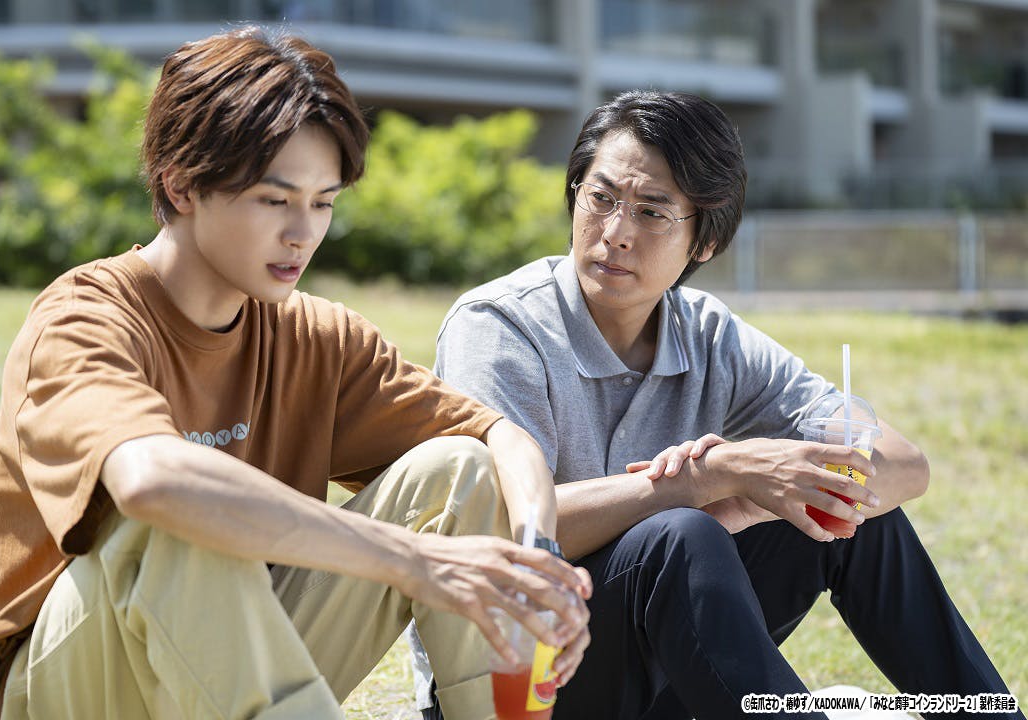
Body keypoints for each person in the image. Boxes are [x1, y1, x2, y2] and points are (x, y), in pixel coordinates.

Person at [0, 27, 593, 720]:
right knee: (173, 519)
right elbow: (151, 482)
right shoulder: (83, 318)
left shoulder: (315, 337)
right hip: (76, 689)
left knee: (457, 467)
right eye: (275, 199)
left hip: (233, 673)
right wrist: (413, 560)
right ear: (182, 184)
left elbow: (500, 440)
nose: (303, 233)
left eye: (323, 202)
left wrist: (536, 564)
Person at [417, 90, 1024, 720]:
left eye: (652, 212)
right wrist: (708, 478)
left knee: (845, 504)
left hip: (656, 673)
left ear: (704, 242)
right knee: (680, 535)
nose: (615, 233)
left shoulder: (707, 334)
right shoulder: (500, 328)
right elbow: (506, 533)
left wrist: (765, 489)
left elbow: (906, 465)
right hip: (509, 680)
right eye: (600, 198)